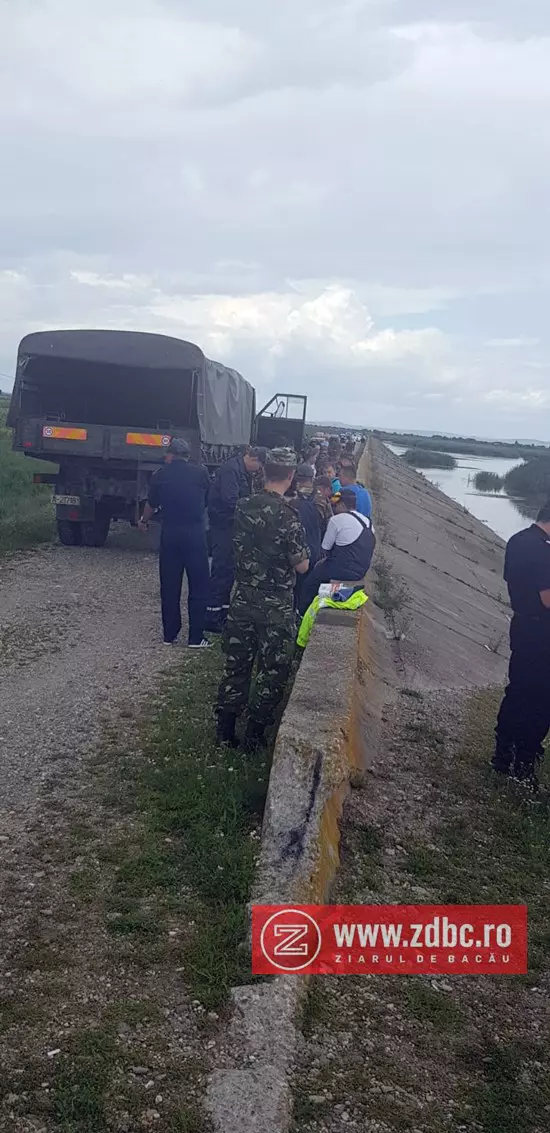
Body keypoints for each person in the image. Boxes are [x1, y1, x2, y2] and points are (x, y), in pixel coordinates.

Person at [216, 448, 310, 749]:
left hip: (243, 598)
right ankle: (254, 736)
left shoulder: (243, 506)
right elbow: (302, 565)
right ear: (292, 475)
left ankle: (225, 732)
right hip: (275, 606)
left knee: (237, 664)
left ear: (263, 471)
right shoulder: (288, 515)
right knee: (272, 670)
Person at [493, 501, 550, 789]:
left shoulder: (517, 541)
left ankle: (503, 753)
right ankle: (525, 761)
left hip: (522, 624)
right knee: (541, 699)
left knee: (518, 690)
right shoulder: (543, 550)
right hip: (543, 632)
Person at [139, 438, 211, 647]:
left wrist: (143, 522)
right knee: (198, 585)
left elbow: (151, 504)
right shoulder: (201, 473)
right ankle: (196, 638)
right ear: (188, 455)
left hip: (170, 534)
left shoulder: (160, 475)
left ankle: (169, 635)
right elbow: (206, 499)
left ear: (170, 455)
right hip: (195, 535)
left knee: (169, 585)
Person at [205, 446, 266, 632]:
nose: (258, 471)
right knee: (221, 570)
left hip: (232, 527)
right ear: (253, 458)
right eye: (259, 466)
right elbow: (230, 500)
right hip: (223, 527)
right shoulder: (231, 470)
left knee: (229, 571)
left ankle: (222, 615)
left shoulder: (240, 470)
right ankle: (211, 618)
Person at [298, 489, 376, 615]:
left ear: (342, 505)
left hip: (342, 570)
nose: (334, 508)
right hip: (361, 571)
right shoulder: (368, 521)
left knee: (310, 581)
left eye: (336, 505)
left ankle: (301, 613)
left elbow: (325, 548)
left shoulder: (336, 520)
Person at [288, 463, 324, 612]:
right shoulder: (321, 498)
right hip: (315, 548)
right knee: (308, 587)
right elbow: (328, 522)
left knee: (294, 585)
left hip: (298, 549)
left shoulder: (291, 499)